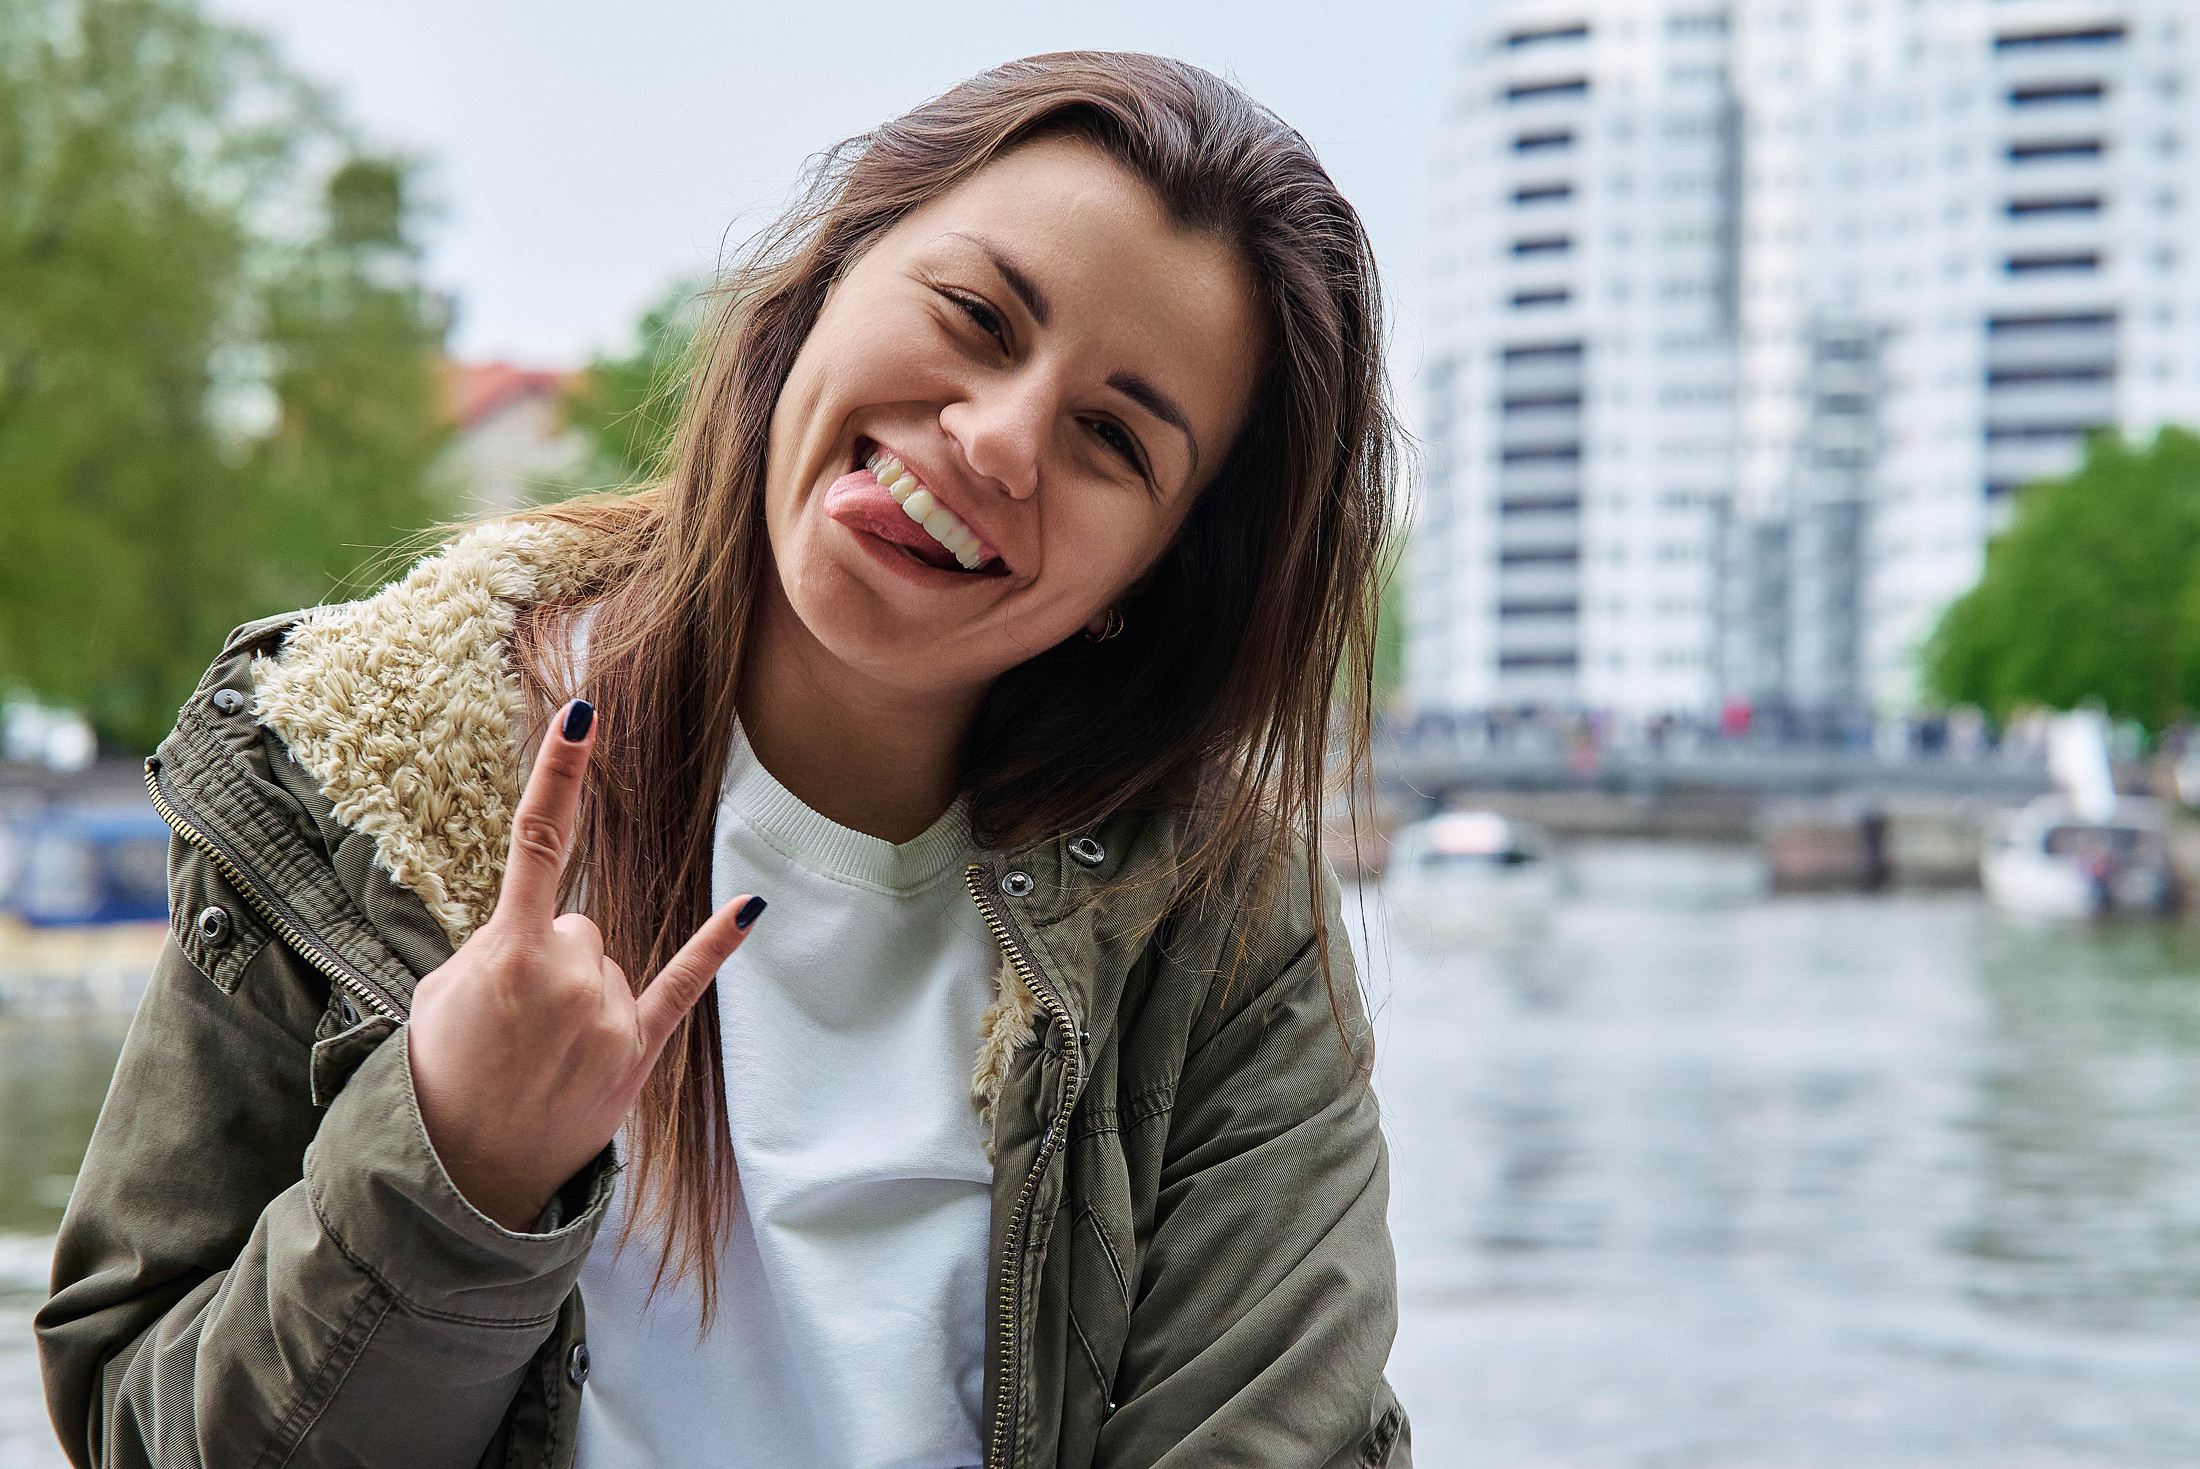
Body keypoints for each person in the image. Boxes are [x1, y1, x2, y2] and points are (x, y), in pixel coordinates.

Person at [37, 51, 1408, 1468]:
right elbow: (142, 1426)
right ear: (828, 281)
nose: (997, 440)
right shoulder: (339, 761)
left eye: (1112, 437)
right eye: (978, 316)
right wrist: (448, 1163)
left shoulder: (1218, 923)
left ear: (1153, 573)